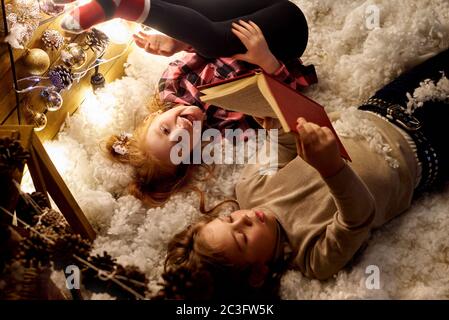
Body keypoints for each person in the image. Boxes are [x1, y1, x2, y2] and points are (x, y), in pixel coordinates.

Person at [161, 48, 449, 299]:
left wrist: (273, 122)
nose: (244, 219)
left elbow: (284, 146)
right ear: (257, 274)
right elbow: (358, 218)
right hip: (426, 150)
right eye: (243, 238)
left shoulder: (250, 189)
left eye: (230, 219)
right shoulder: (314, 258)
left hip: (381, 108)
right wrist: (331, 168)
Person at [105, 20, 317, 207]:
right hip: (277, 51)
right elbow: (285, 104)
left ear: (152, 117)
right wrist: (267, 61)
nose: (181, 129)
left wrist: (179, 43)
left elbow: (201, 42)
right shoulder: (225, 132)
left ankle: (140, 10)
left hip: (231, 31)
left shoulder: (170, 87)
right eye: (178, 145)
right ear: (190, 155)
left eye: (165, 129)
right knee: (288, 20)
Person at [55, 0, 309, 61]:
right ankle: (127, 5)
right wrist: (268, 63)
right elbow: (290, 99)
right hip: (290, 35)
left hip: (276, 13)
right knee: (214, 42)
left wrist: (179, 43)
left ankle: (117, 3)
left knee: (203, 21)